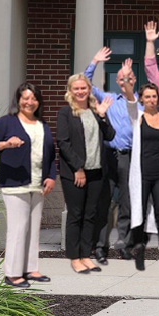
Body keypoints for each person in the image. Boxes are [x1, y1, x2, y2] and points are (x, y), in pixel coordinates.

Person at [0, 82, 56, 288]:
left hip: (38, 184)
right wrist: (6, 144)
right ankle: (13, 274)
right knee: (18, 228)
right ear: (18, 100)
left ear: (38, 102)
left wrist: (51, 177)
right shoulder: (7, 123)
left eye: (33, 98)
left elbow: (51, 155)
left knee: (33, 229)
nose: (29, 102)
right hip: (14, 184)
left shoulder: (43, 125)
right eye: (26, 98)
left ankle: (30, 268)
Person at [57, 72, 115, 274]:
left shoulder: (95, 111)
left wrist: (102, 115)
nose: (81, 91)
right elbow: (63, 143)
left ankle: (85, 255)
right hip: (75, 173)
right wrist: (78, 168)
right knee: (76, 214)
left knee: (91, 215)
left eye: (84, 88)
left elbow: (110, 135)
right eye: (77, 88)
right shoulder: (66, 113)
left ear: (89, 90)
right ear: (70, 91)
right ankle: (75, 258)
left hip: (97, 172)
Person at [84, 47, 138, 263]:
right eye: (122, 78)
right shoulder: (107, 98)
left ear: (133, 80)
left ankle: (124, 245)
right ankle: (100, 246)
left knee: (127, 203)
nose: (125, 80)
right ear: (116, 81)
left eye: (130, 77)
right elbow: (84, 84)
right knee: (104, 203)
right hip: (107, 155)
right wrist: (94, 61)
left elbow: (136, 114)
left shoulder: (139, 104)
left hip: (128, 157)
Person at [124, 80, 159, 271]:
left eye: (154, 96)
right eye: (147, 97)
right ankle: (138, 246)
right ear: (142, 99)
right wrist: (127, 82)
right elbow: (129, 101)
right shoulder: (137, 117)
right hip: (141, 173)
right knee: (139, 209)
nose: (151, 100)